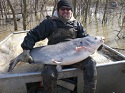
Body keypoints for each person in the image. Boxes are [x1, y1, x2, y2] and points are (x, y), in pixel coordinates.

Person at [21, 0, 97, 93]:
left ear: (71, 10)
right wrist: (26, 49)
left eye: (68, 9)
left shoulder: (77, 24)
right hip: (53, 57)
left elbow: (86, 38)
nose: (66, 11)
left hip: (74, 56)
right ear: (58, 10)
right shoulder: (49, 23)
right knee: (48, 73)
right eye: (63, 9)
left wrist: (98, 45)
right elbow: (32, 35)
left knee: (91, 63)